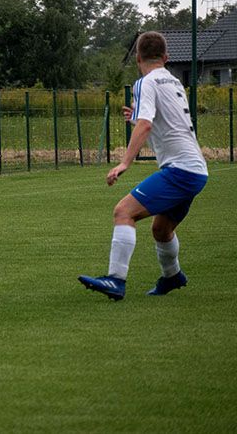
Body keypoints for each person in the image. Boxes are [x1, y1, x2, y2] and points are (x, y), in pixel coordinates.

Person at [79, 31, 208, 300]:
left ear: (137, 57)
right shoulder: (172, 81)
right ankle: (173, 277)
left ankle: (115, 280)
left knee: (123, 212)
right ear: (166, 57)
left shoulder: (145, 83)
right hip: (195, 169)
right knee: (161, 230)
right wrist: (136, 118)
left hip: (181, 169)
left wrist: (125, 162)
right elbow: (158, 120)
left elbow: (147, 124)